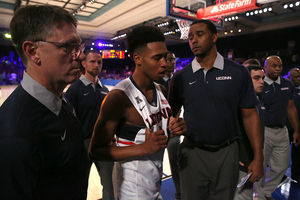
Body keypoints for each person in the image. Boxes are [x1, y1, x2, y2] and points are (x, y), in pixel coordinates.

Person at [168, 19, 264, 200]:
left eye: (199, 34)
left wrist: (258, 157)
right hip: (192, 152)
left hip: (227, 152)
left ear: (214, 37)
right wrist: (172, 125)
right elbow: (169, 115)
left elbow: (250, 116)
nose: (193, 40)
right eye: (190, 37)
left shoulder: (238, 72)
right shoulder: (181, 77)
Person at [0, 5, 89, 199]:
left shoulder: (58, 101)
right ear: (33, 51)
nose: (81, 55)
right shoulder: (15, 135)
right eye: (68, 47)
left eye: (79, 46)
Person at [89, 25, 187, 200]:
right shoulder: (119, 97)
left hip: (155, 186)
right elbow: (95, 151)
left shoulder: (161, 91)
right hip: (131, 192)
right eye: (157, 58)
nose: (164, 63)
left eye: (165, 56)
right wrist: (143, 148)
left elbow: (158, 139)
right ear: (138, 59)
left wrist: (172, 132)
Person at [65, 50, 114, 200]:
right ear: (84, 64)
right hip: (82, 144)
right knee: (79, 186)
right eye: (92, 61)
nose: (97, 65)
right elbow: (68, 121)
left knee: (110, 186)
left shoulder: (105, 90)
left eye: (99, 62)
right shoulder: (74, 89)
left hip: (103, 144)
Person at [257, 56, 300, 200]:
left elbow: (291, 108)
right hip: (264, 131)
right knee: (261, 165)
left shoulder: (288, 84)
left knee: (282, 166)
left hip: (282, 130)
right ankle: (259, 195)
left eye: (280, 66)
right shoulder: (260, 84)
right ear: (265, 67)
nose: (278, 69)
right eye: (274, 66)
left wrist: (296, 129)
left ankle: (265, 192)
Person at [234, 65, 266, 200]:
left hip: (250, 156)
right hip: (240, 159)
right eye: (256, 78)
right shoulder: (237, 104)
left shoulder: (258, 101)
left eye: (263, 78)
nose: (262, 81)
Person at [155, 51, 181, 200]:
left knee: (175, 164)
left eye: (174, 59)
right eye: (170, 59)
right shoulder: (156, 82)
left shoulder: (177, 80)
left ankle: (179, 195)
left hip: (173, 132)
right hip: (158, 131)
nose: (173, 62)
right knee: (156, 165)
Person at [287, 68, 300, 184]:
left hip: (298, 126)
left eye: (299, 77)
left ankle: (296, 177)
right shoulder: (284, 89)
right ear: (289, 77)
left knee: (297, 152)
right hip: (285, 126)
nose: (298, 79)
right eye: (295, 77)